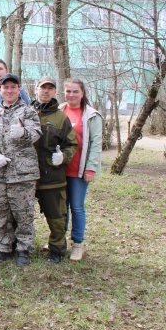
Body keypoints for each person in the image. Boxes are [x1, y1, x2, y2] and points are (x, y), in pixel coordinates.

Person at [0, 74, 41, 267]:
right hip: (0, 174)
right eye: (5, 87)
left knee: (23, 214)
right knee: (1, 213)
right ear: (0, 90)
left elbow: (36, 133)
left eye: (12, 87)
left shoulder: (28, 112)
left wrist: (24, 133)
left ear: (18, 89)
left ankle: (23, 249)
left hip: (23, 174)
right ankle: (3, 248)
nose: (8, 90)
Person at [32, 77, 78, 264]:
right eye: (43, 88)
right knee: (20, 213)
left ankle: (57, 249)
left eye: (50, 89)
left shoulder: (61, 118)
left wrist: (63, 157)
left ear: (54, 92)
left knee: (56, 216)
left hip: (51, 175)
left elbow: (71, 144)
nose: (46, 91)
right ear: (36, 89)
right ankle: (19, 246)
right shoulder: (27, 112)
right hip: (26, 175)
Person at [61, 78, 103, 261]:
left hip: (79, 169)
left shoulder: (92, 115)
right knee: (61, 207)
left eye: (75, 91)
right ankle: (58, 240)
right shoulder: (59, 110)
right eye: (68, 91)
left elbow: (96, 144)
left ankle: (78, 244)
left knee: (76, 207)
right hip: (60, 169)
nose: (71, 95)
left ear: (82, 93)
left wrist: (91, 168)